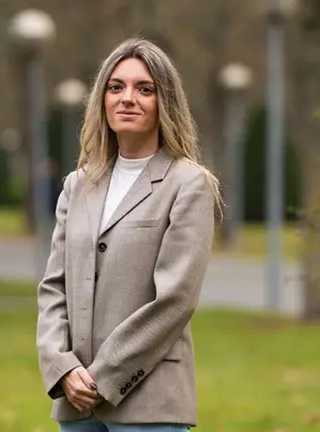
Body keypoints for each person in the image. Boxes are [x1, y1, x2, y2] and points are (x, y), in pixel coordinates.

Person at [35, 37, 222, 432]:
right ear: (102, 99)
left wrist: (106, 376)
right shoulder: (77, 185)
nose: (127, 98)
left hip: (149, 403)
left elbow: (175, 300)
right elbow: (54, 288)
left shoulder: (188, 185)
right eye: (116, 87)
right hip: (77, 400)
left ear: (164, 102)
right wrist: (62, 367)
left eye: (145, 89)